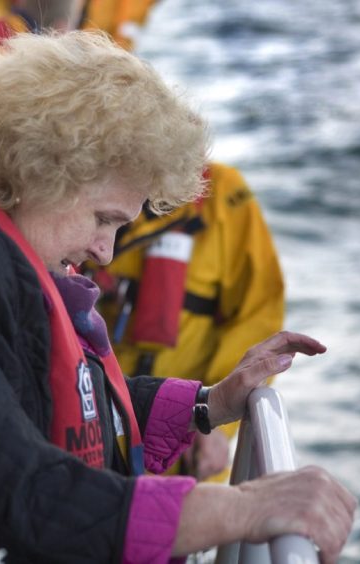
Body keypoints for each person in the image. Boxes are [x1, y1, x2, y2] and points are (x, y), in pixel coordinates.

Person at [0, 32, 355, 563]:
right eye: (104, 219)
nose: (106, 253)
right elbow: (13, 495)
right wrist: (250, 508)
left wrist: (211, 404)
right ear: (43, 170)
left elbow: (23, 401)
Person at [80, 1, 286, 483]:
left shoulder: (223, 198)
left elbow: (259, 312)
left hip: (189, 440)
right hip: (98, 430)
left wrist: (214, 417)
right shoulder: (74, 205)